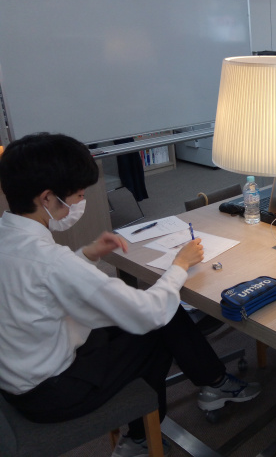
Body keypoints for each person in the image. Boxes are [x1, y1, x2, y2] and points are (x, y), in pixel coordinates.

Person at [0, 133, 260, 457]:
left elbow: (41, 286)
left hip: (21, 371)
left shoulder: (10, 237)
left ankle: (213, 381)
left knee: (158, 315)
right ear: (48, 198)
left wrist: (88, 254)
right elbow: (149, 312)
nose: (80, 204)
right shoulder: (50, 261)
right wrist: (180, 264)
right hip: (53, 392)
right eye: (78, 196)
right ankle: (143, 437)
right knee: (159, 323)